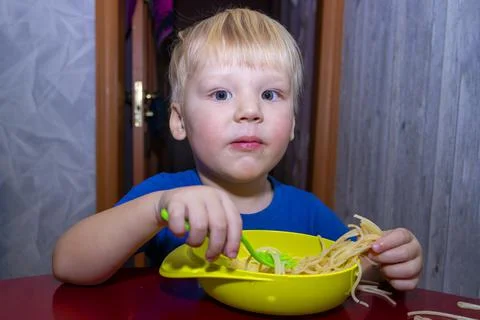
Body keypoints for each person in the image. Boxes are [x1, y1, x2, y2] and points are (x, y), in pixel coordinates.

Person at [52, 8, 423, 290]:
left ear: (292, 124)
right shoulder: (167, 199)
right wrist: (156, 209)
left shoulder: (308, 213)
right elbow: (68, 263)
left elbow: (354, 273)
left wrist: (388, 264)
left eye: (270, 94)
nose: (249, 111)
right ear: (179, 121)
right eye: (221, 94)